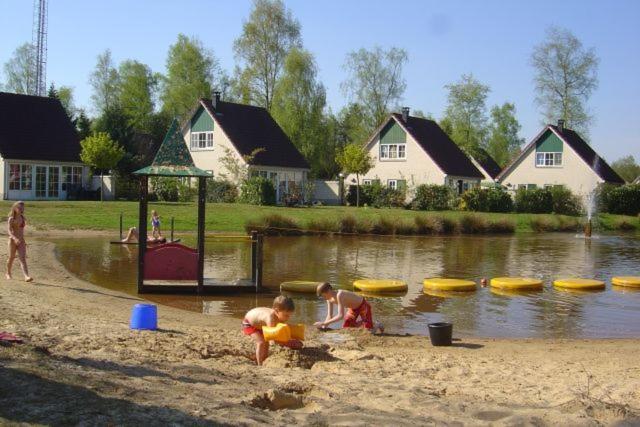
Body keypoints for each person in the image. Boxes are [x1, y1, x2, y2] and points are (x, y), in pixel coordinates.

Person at [242, 295, 302, 365]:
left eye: (289, 315)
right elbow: (272, 339)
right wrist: (288, 343)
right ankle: (259, 363)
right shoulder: (270, 318)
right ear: (276, 311)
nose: (288, 318)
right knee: (261, 342)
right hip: (249, 323)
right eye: (286, 315)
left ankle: (263, 357)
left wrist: (292, 338)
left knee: (266, 342)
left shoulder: (280, 315)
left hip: (260, 325)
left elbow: (281, 332)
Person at [315, 282, 383, 333]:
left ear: (329, 291)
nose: (323, 298)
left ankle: (377, 324)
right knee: (346, 328)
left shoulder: (339, 295)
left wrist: (323, 323)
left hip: (363, 306)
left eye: (323, 295)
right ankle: (365, 323)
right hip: (352, 309)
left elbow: (340, 316)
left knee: (369, 332)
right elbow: (329, 315)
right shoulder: (328, 299)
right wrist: (323, 327)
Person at [6, 201, 32, 282]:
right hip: (12, 240)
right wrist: (14, 238)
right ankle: (8, 273)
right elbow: (9, 231)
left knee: (23, 258)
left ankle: (26, 276)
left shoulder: (23, 218)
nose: (21, 209)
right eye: (19, 208)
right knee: (11, 257)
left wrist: (24, 241)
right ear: (15, 208)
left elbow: (21, 231)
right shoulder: (11, 219)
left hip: (21, 241)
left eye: (22, 208)